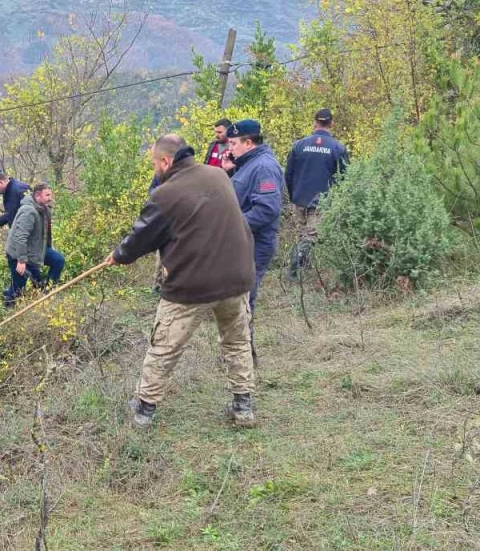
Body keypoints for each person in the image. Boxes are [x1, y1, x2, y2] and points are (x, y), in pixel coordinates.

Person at [103, 134, 258, 429]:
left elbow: (142, 237)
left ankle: (144, 411)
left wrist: (119, 255)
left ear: (166, 161)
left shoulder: (165, 194)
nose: (154, 169)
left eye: (154, 163)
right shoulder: (218, 175)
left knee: (164, 346)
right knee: (237, 341)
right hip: (236, 277)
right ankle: (243, 408)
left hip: (191, 284)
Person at [225, 119, 283, 328]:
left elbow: (266, 209)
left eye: (233, 143)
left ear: (248, 143)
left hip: (254, 245)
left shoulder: (263, 167)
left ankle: (244, 346)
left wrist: (230, 227)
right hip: (243, 243)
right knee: (235, 301)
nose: (229, 149)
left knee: (242, 302)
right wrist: (229, 171)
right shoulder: (248, 164)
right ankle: (237, 345)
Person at [284, 108, 349, 277]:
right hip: (322, 200)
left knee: (302, 235)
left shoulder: (299, 145)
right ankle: (294, 271)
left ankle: (303, 273)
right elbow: (345, 177)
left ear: (315, 123)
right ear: (331, 123)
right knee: (311, 236)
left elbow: (288, 174)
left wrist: (293, 195)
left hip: (299, 197)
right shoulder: (338, 147)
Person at [4, 183, 59, 306]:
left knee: (57, 260)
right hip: (18, 255)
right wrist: (21, 261)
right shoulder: (28, 211)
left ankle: (47, 293)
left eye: (50, 195)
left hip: (34, 250)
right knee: (18, 290)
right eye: (47, 195)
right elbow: (20, 237)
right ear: (37, 196)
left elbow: (45, 232)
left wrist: (49, 247)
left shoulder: (44, 209)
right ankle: (9, 307)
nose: (50, 198)